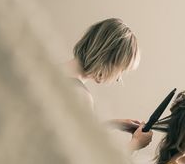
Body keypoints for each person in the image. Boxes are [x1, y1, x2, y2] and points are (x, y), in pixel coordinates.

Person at [65, 18, 153, 151]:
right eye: (121, 69)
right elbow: (86, 160)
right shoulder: (80, 95)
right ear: (107, 58)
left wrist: (111, 125)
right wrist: (135, 144)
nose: (118, 78)